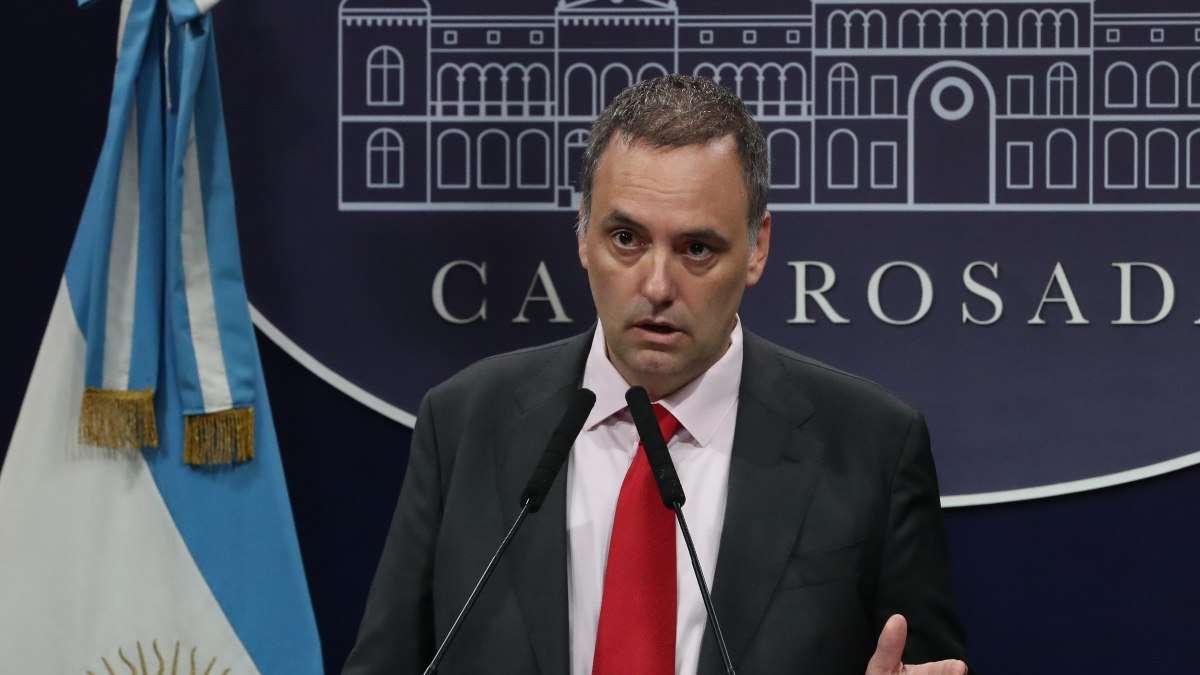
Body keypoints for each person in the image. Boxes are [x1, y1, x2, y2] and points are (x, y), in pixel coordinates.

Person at [343, 75, 969, 675]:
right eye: (626, 238)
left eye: (697, 248)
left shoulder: (871, 448)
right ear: (583, 234)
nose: (658, 285)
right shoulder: (464, 423)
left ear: (757, 247)